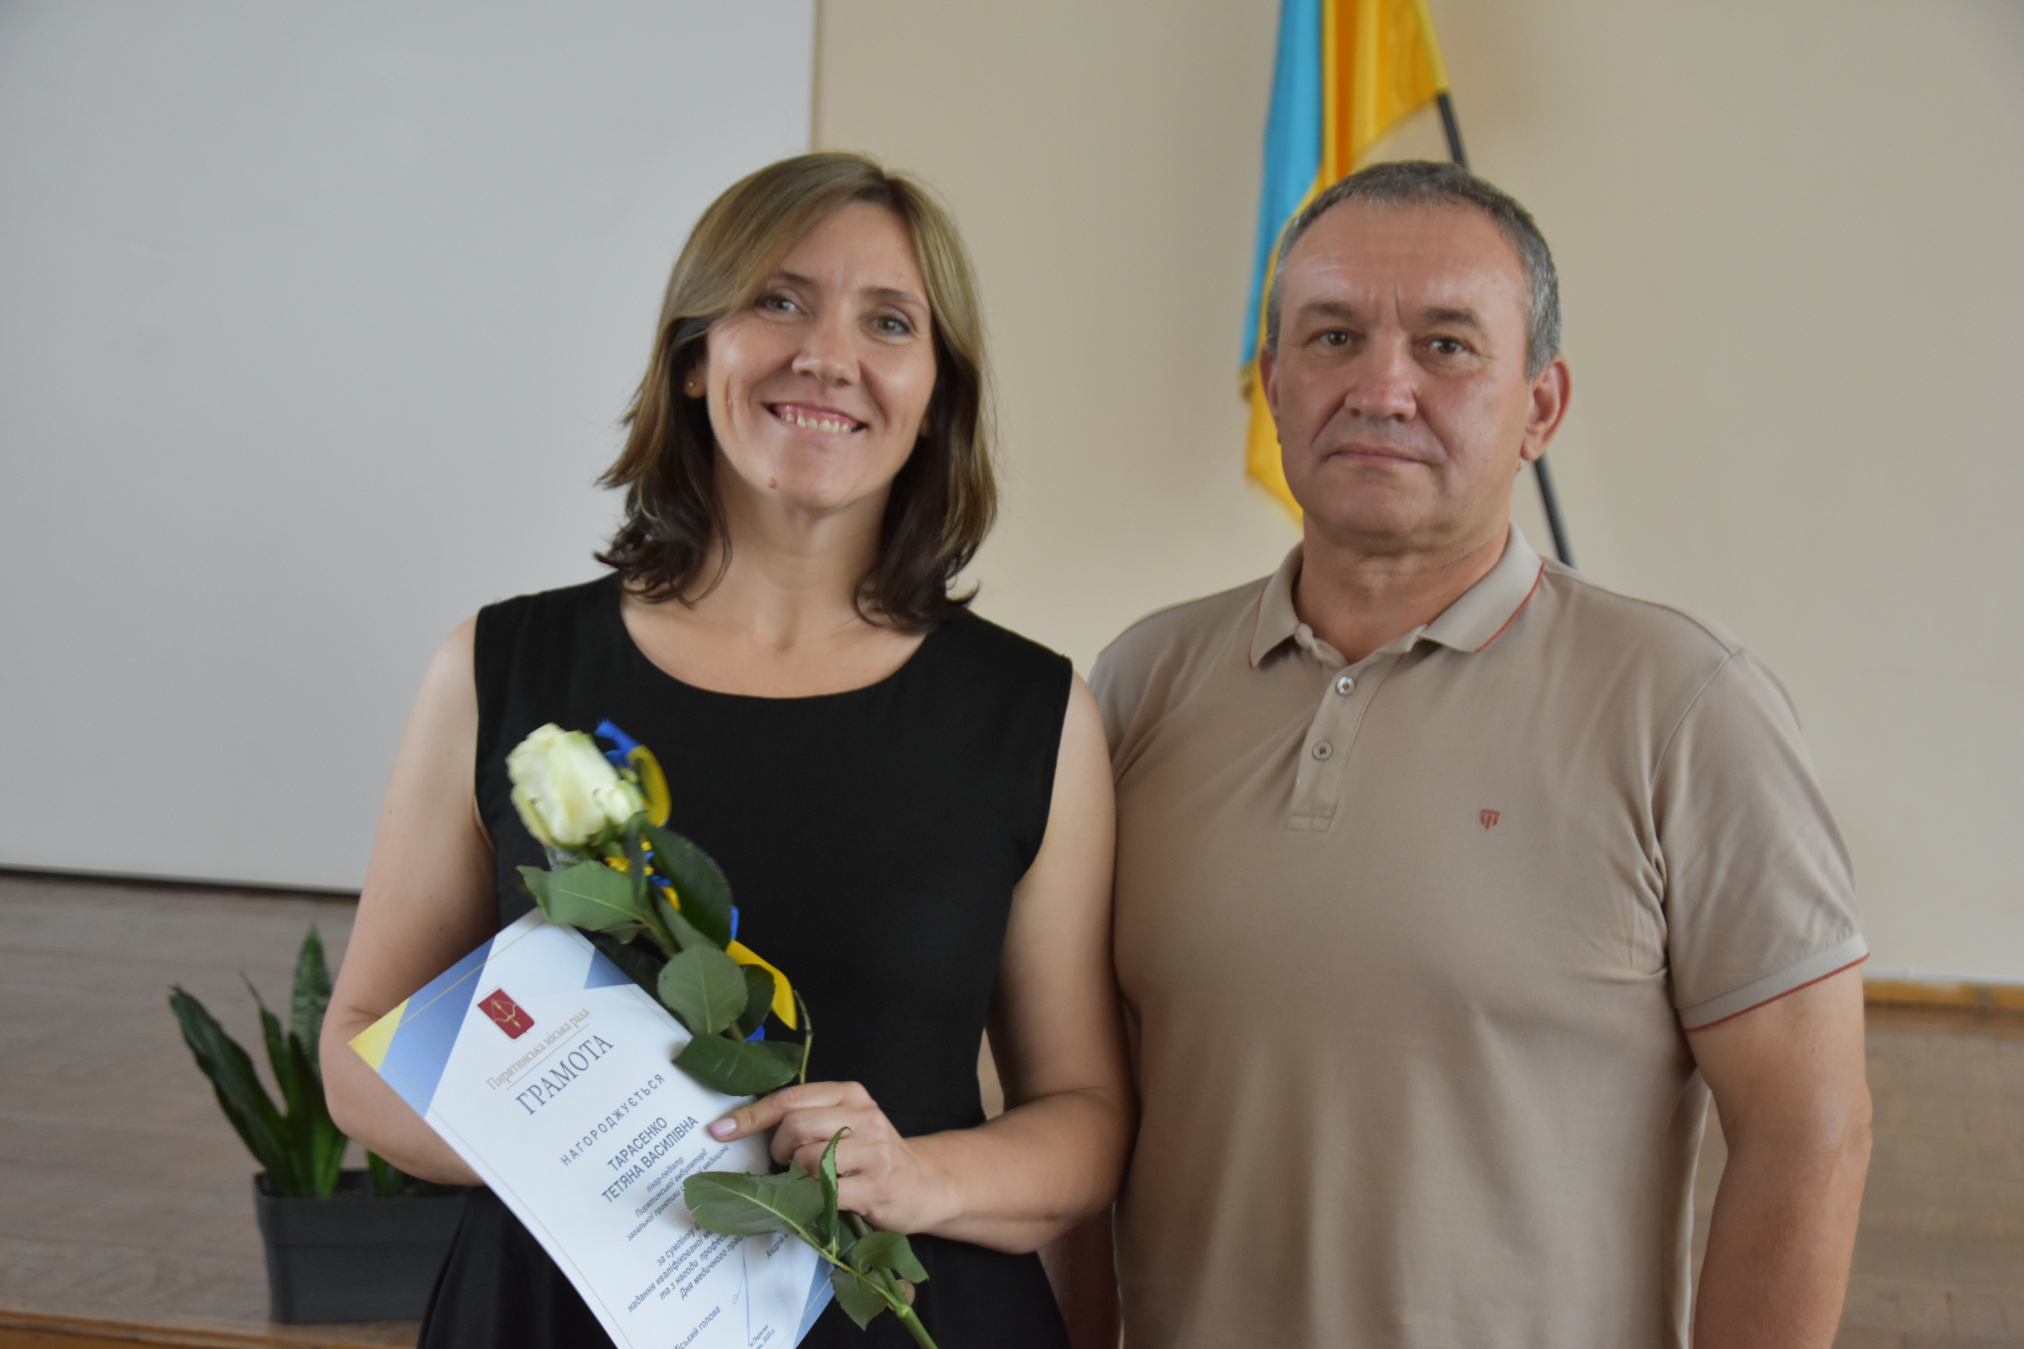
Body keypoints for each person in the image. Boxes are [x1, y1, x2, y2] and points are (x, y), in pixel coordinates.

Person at [322, 152, 1133, 1349]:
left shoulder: (1033, 711)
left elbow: (1086, 1117)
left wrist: (915, 1176)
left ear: (933, 394)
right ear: (695, 355)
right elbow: (358, 1052)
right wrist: (605, 1156)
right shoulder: (498, 667)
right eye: (778, 300)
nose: (828, 355)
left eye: (888, 322)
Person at [1088, 160, 1870, 1348]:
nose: (1380, 388)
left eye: (1446, 345)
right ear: (1272, 385)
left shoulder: (1686, 706)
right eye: (1332, 336)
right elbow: (1074, 1103)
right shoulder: (1139, 685)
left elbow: (1809, 1130)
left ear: (1539, 408)